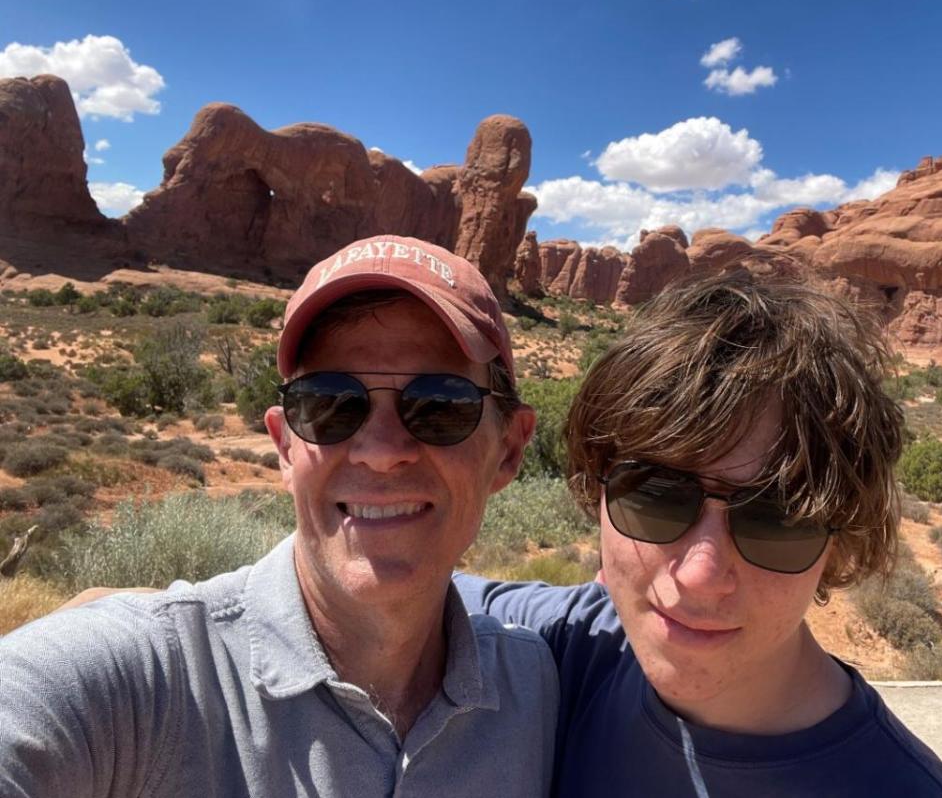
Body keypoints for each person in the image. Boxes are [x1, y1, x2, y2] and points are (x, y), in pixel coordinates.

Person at [0, 235, 558, 797]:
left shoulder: (535, 684)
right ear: (285, 446)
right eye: (330, 403)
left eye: (440, 405)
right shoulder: (143, 681)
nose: (381, 451)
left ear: (509, 448)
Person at [455, 263, 942, 796]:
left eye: (775, 520)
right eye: (655, 496)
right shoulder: (580, 643)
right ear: (600, 494)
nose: (701, 575)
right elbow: (412, 590)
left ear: (837, 548)